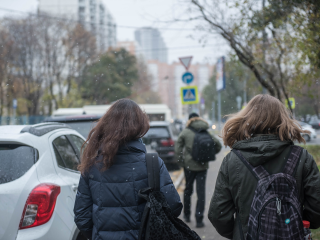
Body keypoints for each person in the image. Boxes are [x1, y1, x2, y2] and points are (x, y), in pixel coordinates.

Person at [208, 94, 320, 239]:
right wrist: (291, 223)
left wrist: (240, 232)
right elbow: (317, 208)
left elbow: (218, 214)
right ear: (282, 118)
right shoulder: (302, 158)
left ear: (247, 119)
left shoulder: (232, 160)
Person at [74, 99, 182, 240]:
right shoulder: (152, 163)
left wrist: (97, 234)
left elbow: (82, 215)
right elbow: (173, 206)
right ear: (139, 126)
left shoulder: (92, 165)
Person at [175, 113, 221, 228]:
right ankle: (199, 220)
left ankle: (186, 214)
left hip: (189, 166)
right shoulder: (205, 130)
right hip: (202, 166)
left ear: (189, 120)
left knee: (188, 190)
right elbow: (218, 145)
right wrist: (208, 155)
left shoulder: (185, 132)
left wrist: (182, 162)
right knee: (201, 193)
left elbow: (178, 148)